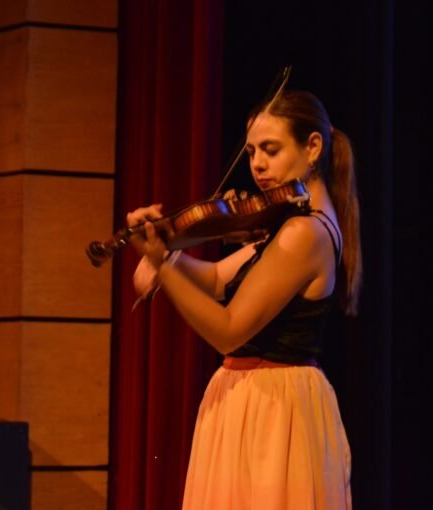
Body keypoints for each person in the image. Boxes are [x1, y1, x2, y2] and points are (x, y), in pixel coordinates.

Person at [127, 90, 362, 510]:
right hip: (255, 399)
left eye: (271, 150)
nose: (257, 164)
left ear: (313, 147)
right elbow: (218, 278)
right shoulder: (289, 224)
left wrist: (162, 264)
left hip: (274, 408)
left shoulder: (305, 233)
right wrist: (169, 255)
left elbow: (229, 330)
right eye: (252, 152)